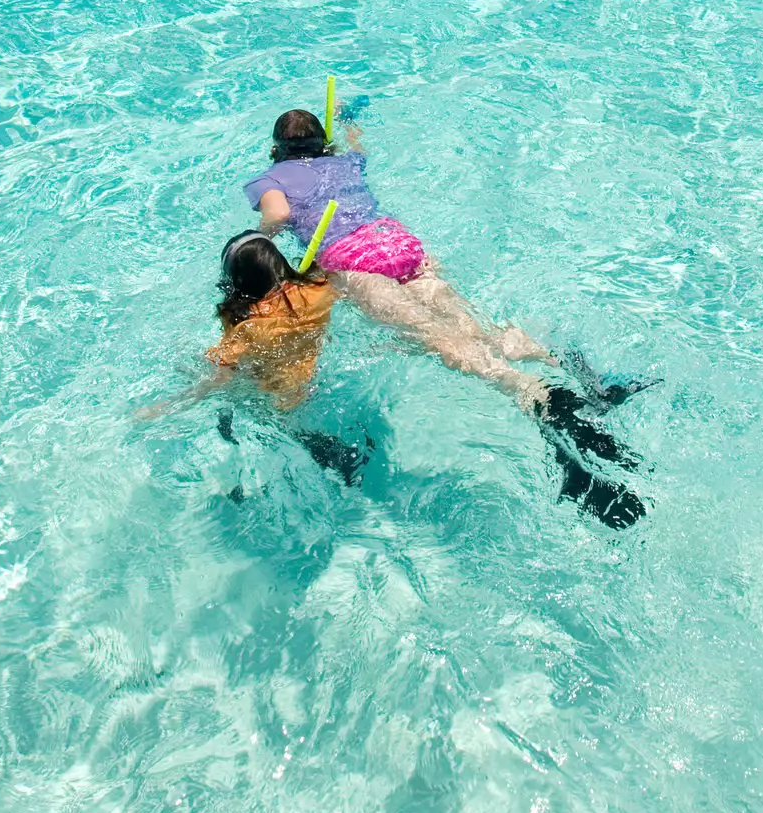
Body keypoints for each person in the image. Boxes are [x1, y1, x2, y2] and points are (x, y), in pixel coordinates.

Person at [244, 106, 648, 528]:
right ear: (322, 144)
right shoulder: (344, 161)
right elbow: (358, 142)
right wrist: (347, 120)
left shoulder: (269, 179)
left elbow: (278, 214)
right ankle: (549, 358)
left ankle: (531, 392)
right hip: (397, 242)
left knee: (439, 338)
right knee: (474, 327)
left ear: (276, 150)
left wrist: (261, 244)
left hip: (352, 261)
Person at [139, 232, 366, 483]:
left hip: (274, 397)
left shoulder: (246, 328)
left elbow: (217, 379)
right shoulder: (317, 288)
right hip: (312, 375)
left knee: (193, 367)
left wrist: (167, 406)